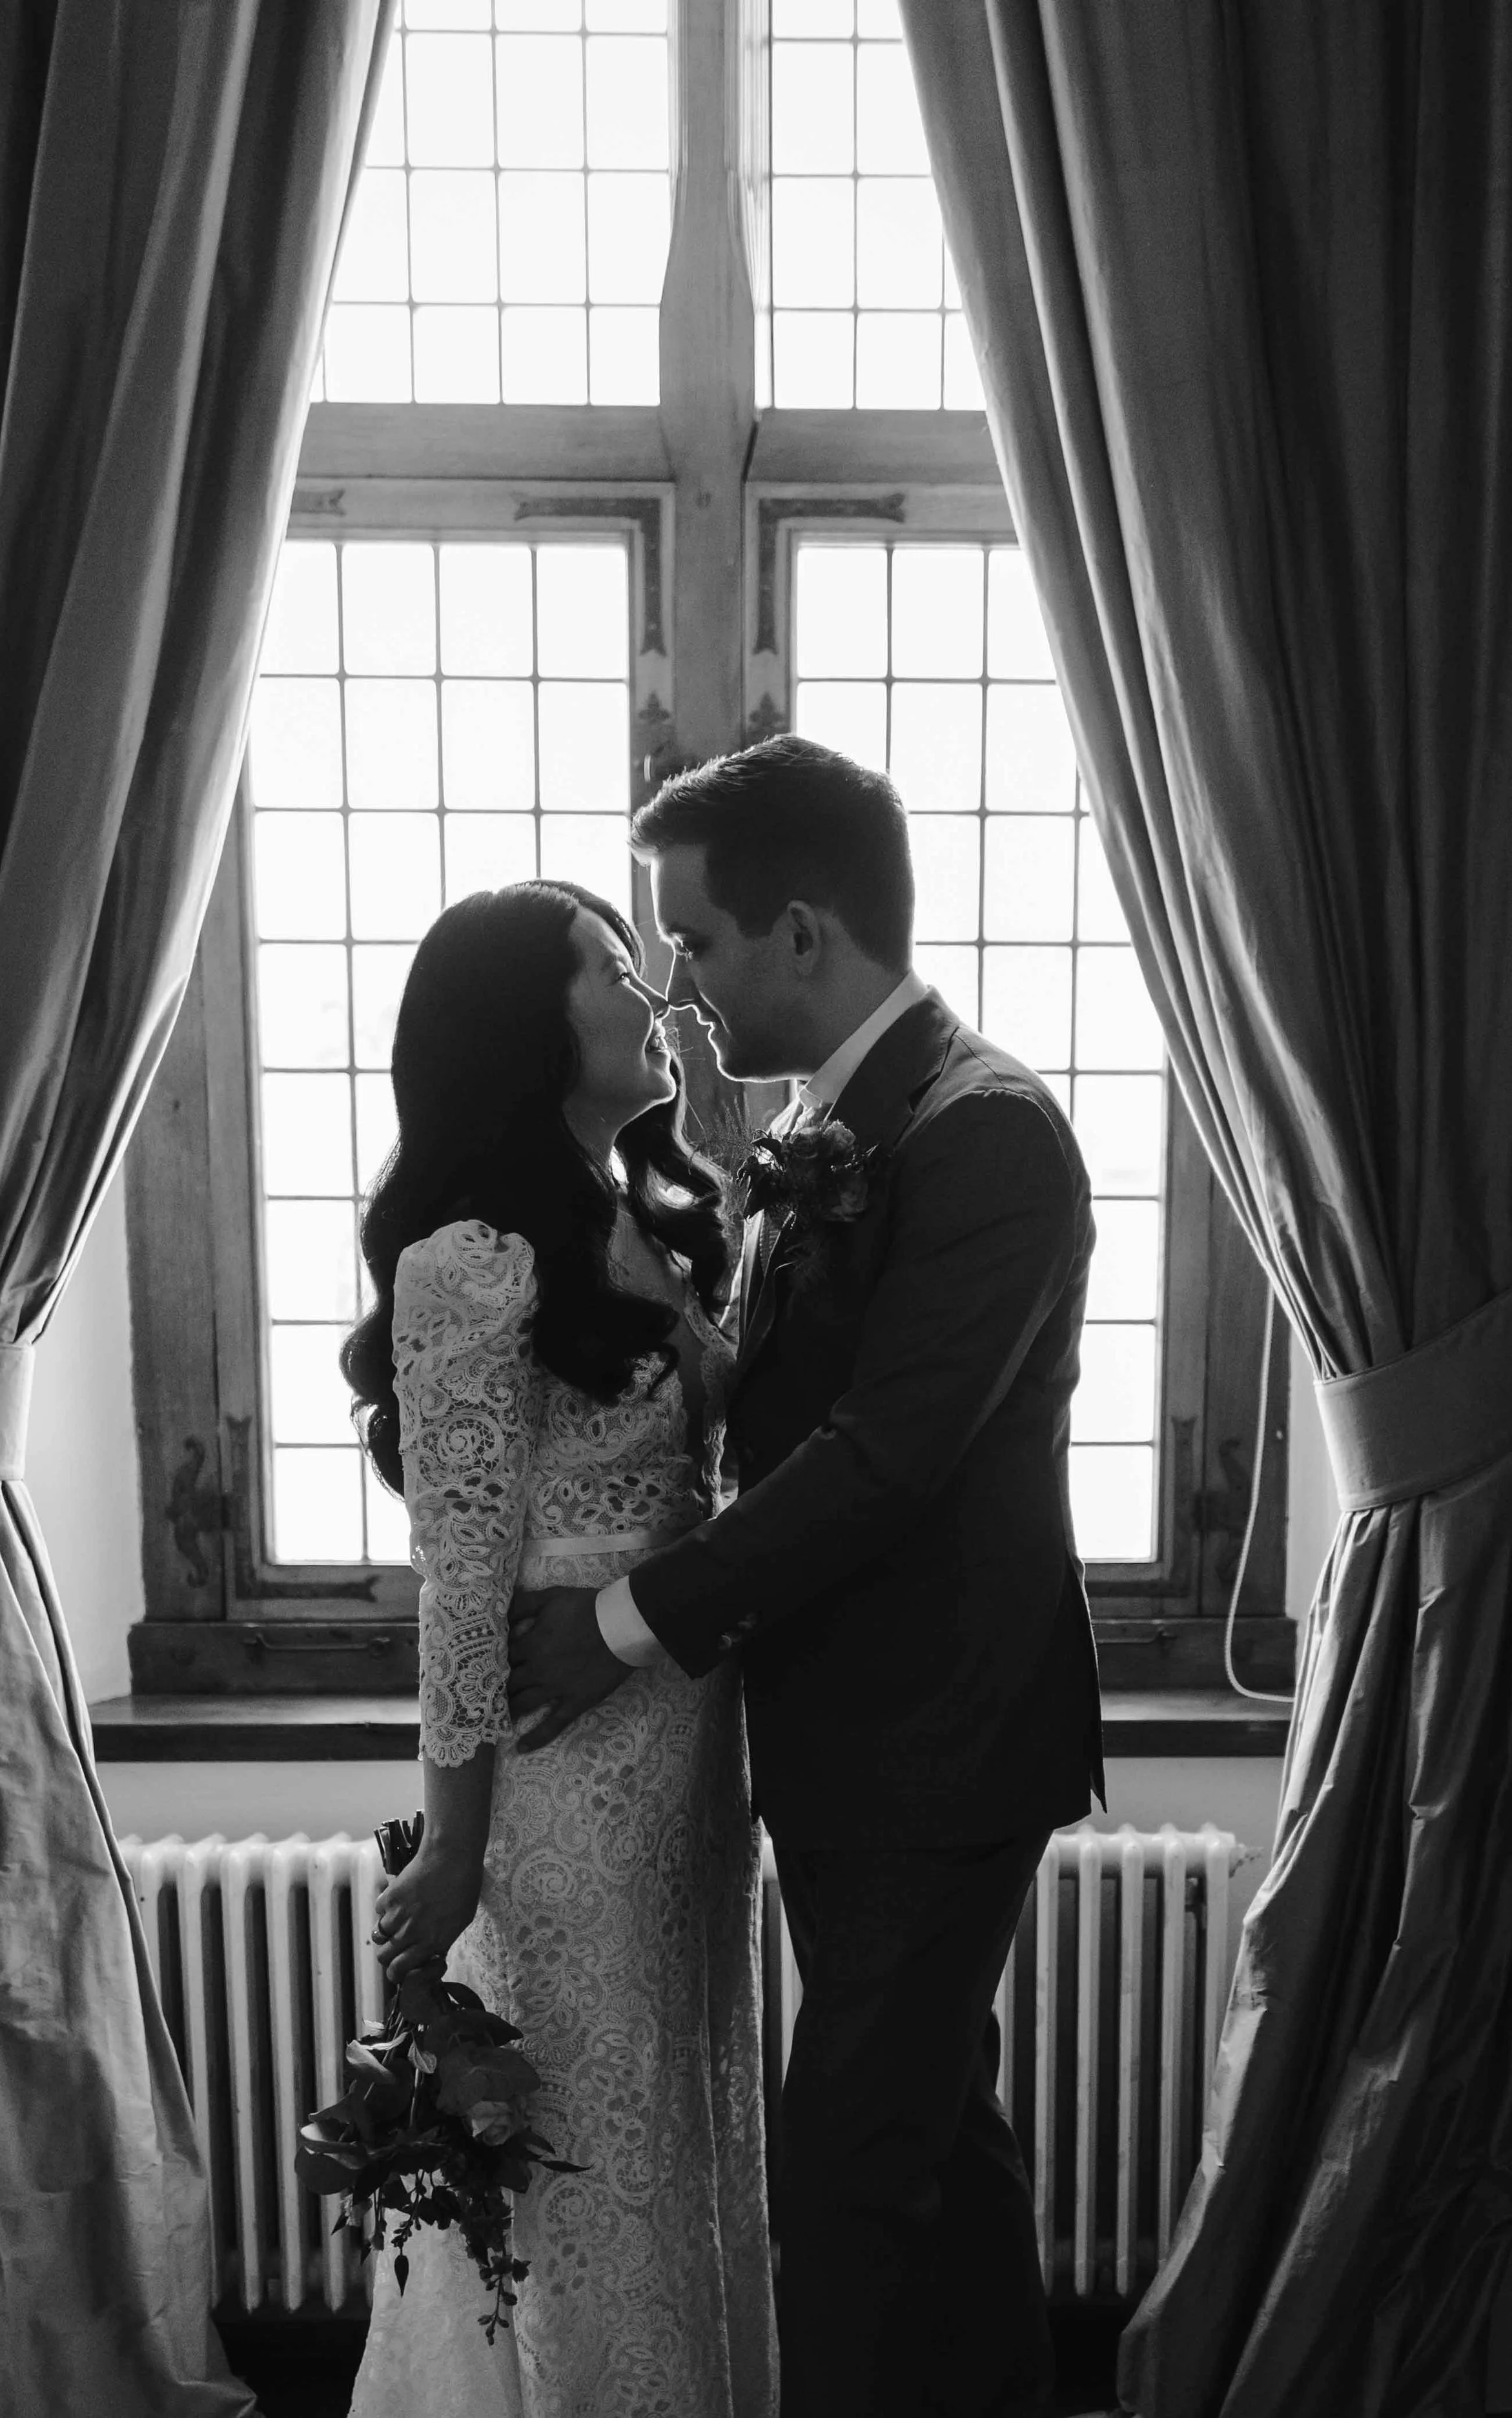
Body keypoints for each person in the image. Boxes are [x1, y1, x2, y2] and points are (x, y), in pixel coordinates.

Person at [508, 737, 1105, 2418]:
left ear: (799, 936)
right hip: (843, 1749)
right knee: (935, 2151)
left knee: (838, 2184)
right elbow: (789, 1408)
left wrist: (620, 1624)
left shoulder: (985, 1135)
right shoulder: (822, 1128)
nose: (676, 990)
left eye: (690, 945)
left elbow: (882, 1461)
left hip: (940, 1747)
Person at [340, 880, 777, 2418]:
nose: (647, 987)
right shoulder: (468, 1262)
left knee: (678, 2122)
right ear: (520, 1024)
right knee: (594, 2154)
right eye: (604, 965)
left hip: (684, 1756)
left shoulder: (636, 1215)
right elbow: (461, 1589)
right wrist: (450, 1851)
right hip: (564, 1777)